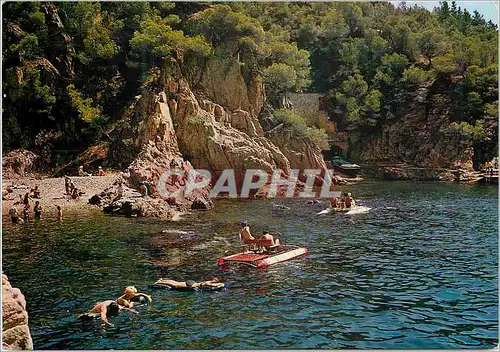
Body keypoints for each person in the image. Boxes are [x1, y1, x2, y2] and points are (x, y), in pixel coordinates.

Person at [154, 278, 224, 290]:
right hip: (191, 285)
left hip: (192, 282)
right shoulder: (209, 283)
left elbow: (214, 284)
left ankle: (162, 280)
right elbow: (213, 285)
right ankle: (159, 282)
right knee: (175, 285)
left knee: (175, 282)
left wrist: (220, 283)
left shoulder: (209, 281)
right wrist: (221, 284)